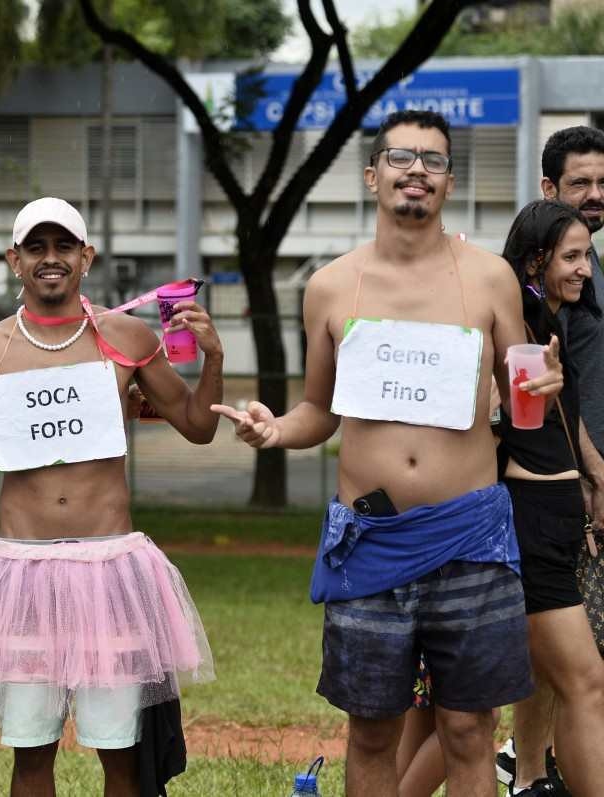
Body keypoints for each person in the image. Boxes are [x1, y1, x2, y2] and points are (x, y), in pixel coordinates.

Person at [211, 110, 563, 797]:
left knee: (468, 728)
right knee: (372, 730)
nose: (417, 173)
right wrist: (274, 428)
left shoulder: (490, 279)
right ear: (372, 176)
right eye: (401, 158)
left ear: (449, 183)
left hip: (471, 537)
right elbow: (318, 409)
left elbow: (522, 396)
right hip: (370, 542)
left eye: (433, 161)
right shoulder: (331, 286)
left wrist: (545, 389)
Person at [0, 197, 222, 796]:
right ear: (14, 259)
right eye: (36, 248)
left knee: (121, 753)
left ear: (87, 256)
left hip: (111, 568)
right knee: (31, 752)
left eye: (62, 247)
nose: (49, 259)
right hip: (20, 570)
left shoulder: (125, 335)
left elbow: (197, 424)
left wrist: (212, 359)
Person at [499, 125, 604, 796]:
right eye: (580, 184)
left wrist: (594, 474)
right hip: (528, 517)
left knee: (563, 674)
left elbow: (564, 418)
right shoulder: (515, 312)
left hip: (568, 505)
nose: (596, 195)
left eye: (603, 182)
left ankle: (530, 772)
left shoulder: (561, 307)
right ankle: (529, 765)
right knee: (579, 674)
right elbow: (502, 418)